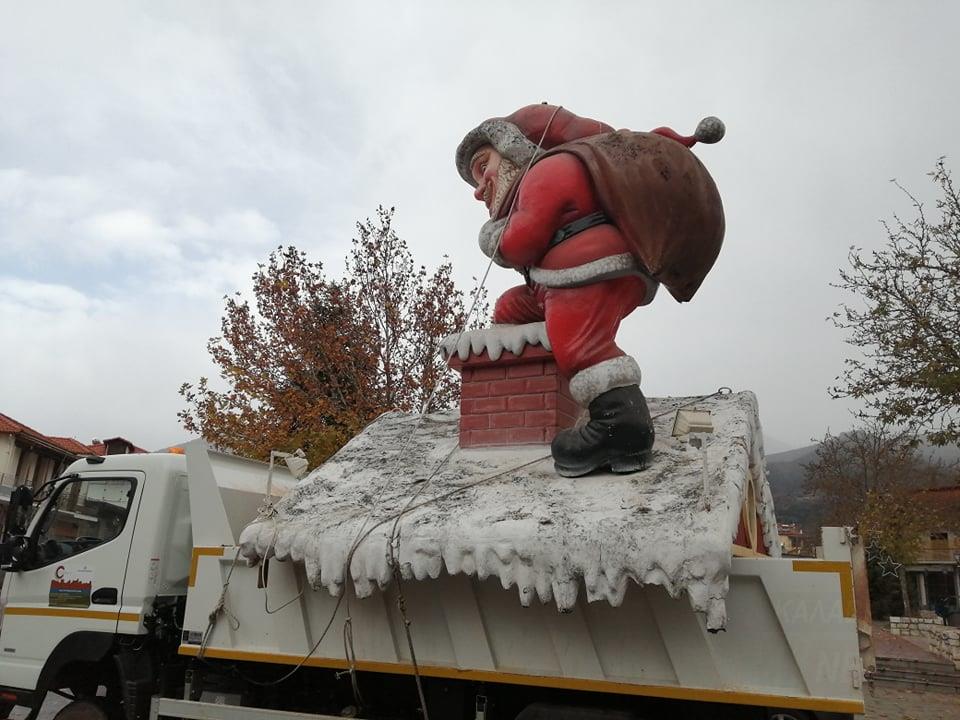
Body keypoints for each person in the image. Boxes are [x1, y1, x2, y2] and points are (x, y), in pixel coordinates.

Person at [456, 104, 724, 477]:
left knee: (582, 344)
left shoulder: (549, 171)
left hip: (584, 270)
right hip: (554, 282)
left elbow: (522, 241)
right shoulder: (535, 182)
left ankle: (621, 425)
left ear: (515, 149)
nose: (480, 186)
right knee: (509, 310)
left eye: (483, 166)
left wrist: (492, 238)